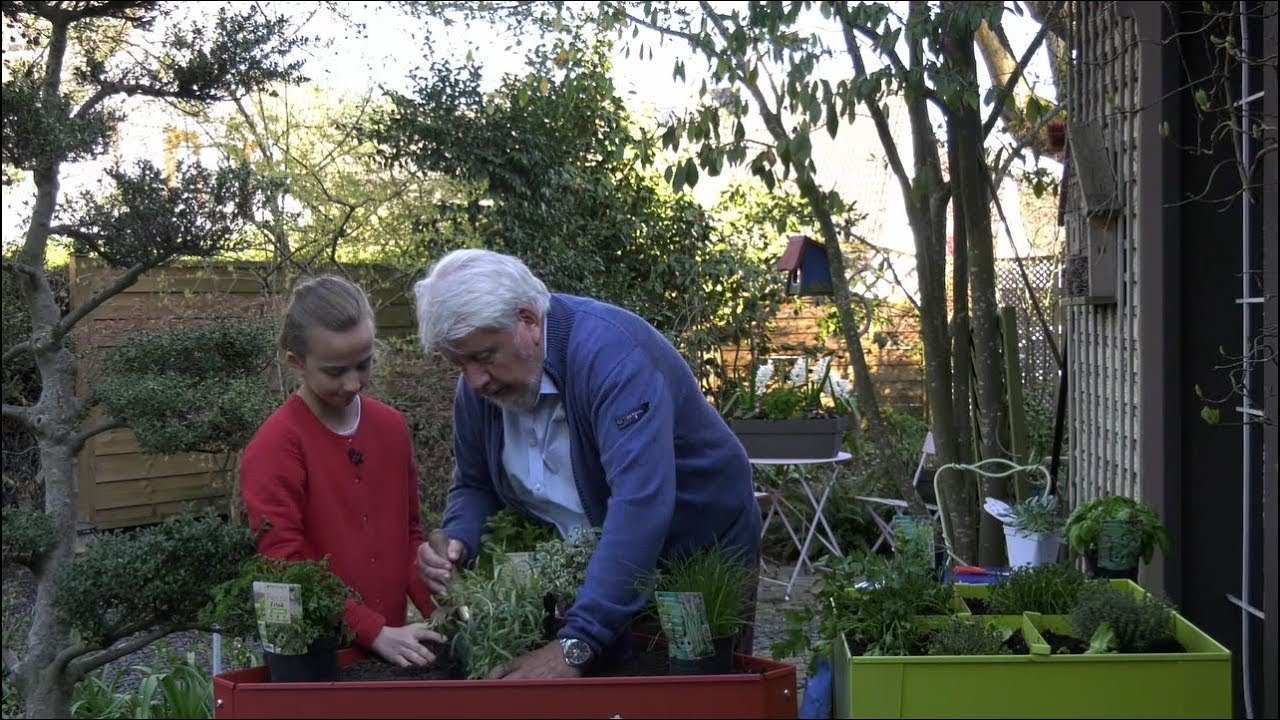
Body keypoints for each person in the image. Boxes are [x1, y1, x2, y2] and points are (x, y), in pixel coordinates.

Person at [413, 249, 762, 679]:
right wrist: (458, 539)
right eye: (458, 363)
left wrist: (578, 642)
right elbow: (474, 483)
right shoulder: (483, 393)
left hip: (695, 555)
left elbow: (640, 503)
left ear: (528, 320)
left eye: (484, 356)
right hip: (606, 561)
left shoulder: (612, 359)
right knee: (608, 690)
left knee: (689, 689)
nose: (474, 380)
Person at [240, 275, 447, 668]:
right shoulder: (274, 446)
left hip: (388, 645)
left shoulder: (391, 428)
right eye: (335, 372)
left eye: (364, 364)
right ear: (296, 362)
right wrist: (372, 630)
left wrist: (443, 609)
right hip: (308, 655)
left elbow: (409, 533)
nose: (353, 383)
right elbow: (283, 563)